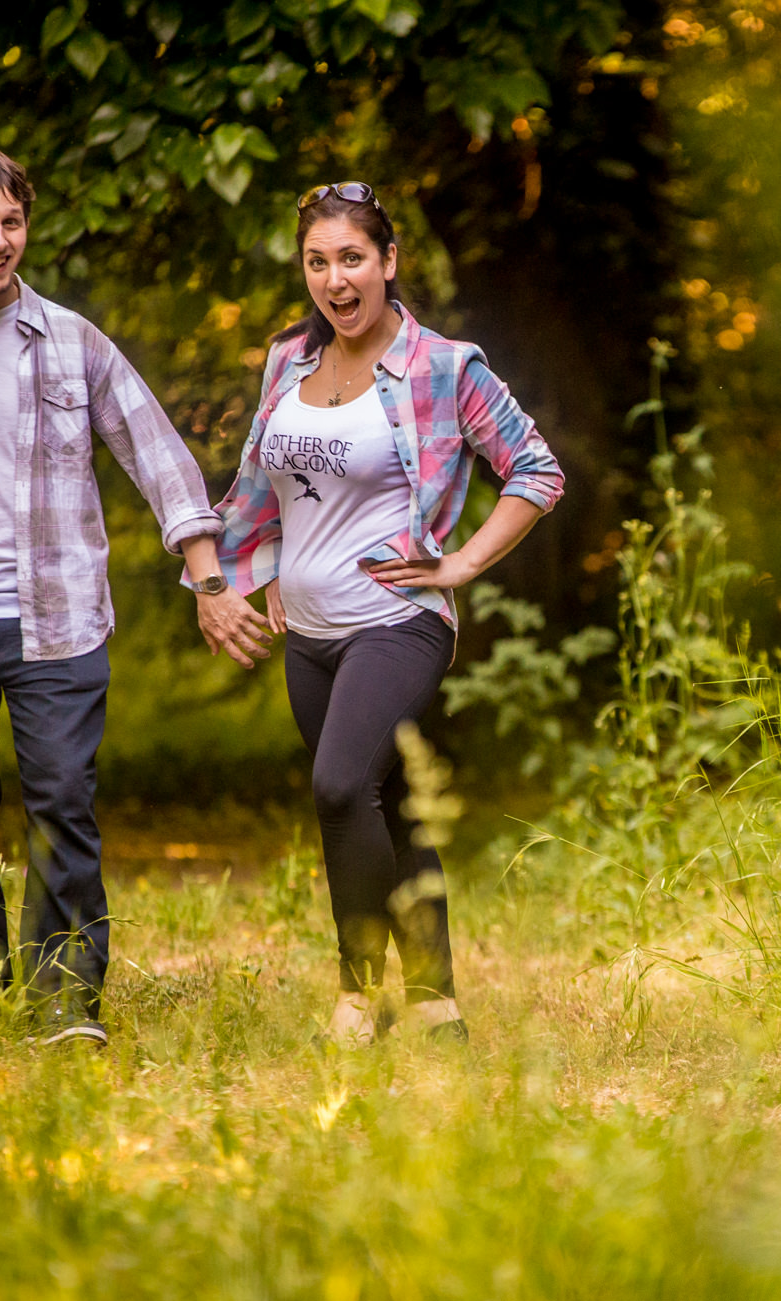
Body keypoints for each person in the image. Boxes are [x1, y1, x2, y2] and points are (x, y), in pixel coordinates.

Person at [0, 145, 271, 1047]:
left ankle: (65, 1002)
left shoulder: (72, 341)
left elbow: (159, 459)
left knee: (63, 797)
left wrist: (209, 579)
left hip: (56, 619)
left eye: (12, 222)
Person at [198, 181, 563, 1044]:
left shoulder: (443, 367)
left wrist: (463, 561)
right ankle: (437, 999)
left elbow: (537, 471)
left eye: (352, 258)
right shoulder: (287, 360)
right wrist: (253, 568)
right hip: (310, 632)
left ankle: (358, 996)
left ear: (389, 262)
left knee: (337, 786)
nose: (335, 279)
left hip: (397, 619)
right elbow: (265, 483)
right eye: (317, 262)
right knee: (385, 804)